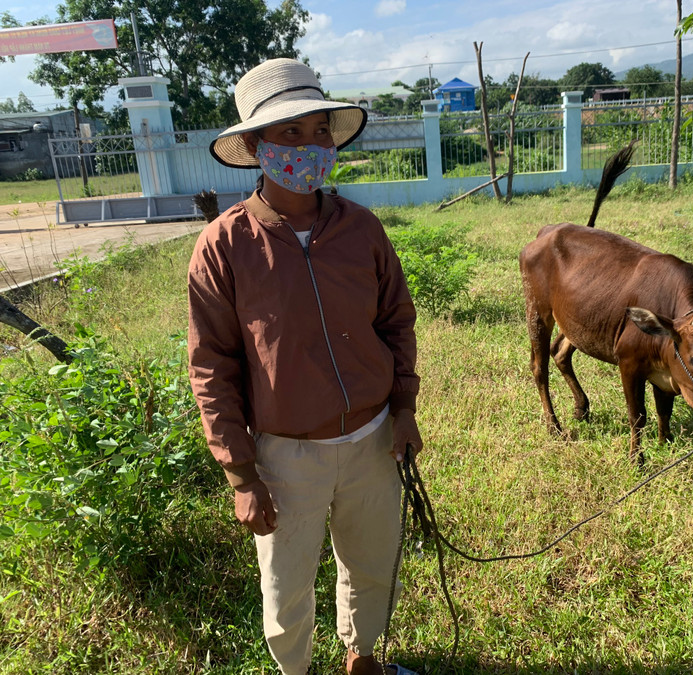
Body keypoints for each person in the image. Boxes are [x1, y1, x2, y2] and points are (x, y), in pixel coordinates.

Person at [187, 58, 422, 675]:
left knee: (372, 563)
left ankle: (362, 656)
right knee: (287, 589)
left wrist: (403, 409)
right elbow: (212, 366)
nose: (309, 146)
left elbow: (396, 321)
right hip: (285, 454)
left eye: (320, 130)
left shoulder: (362, 230)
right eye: (290, 133)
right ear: (257, 146)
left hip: (372, 439)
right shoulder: (224, 245)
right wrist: (242, 474)